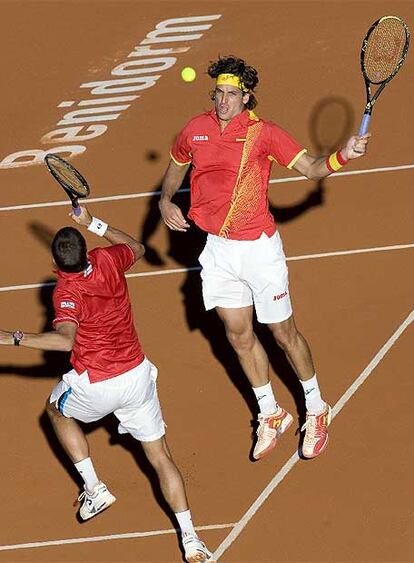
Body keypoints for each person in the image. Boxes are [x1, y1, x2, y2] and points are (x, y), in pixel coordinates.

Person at [159, 55, 370, 461]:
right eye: (218, 94)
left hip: (258, 249)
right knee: (237, 334)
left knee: (282, 333)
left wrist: (343, 155)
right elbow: (176, 163)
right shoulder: (196, 129)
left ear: (247, 97)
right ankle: (270, 412)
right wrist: (166, 200)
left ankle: (316, 406)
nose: (223, 102)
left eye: (232, 95)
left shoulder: (264, 134)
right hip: (218, 250)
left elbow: (310, 168)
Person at [0, 207, 212, 563]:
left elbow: (66, 341)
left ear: (55, 260)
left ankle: (94, 488)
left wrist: (12, 338)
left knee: (55, 410)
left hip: (96, 381)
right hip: (137, 376)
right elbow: (138, 248)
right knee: (161, 457)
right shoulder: (108, 259)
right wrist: (93, 223)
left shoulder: (65, 292)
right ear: (86, 251)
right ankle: (191, 540)